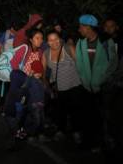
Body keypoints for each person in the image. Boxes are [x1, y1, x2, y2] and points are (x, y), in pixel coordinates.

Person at [75, 14, 118, 151]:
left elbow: (112, 64)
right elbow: (79, 65)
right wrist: (85, 81)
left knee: (102, 116)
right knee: (87, 115)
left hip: (102, 87)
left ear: (88, 27)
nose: (79, 29)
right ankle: (87, 141)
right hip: (86, 87)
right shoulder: (80, 43)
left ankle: (102, 142)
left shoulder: (106, 43)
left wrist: (100, 80)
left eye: (81, 26)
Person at [4, 28, 44, 146]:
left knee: (30, 109)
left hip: (33, 84)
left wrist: (38, 74)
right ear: (31, 39)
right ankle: (17, 134)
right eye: (37, 38)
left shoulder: (40, 52)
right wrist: (25, 76)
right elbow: (13, 65)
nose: (40, 40)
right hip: (22, 83)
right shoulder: (25, 49)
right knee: (18, 108)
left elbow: (40, 68)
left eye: (41, 38)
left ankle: (26, 133)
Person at [42, 30, 83, 142]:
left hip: (75, 86)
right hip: (59, 89)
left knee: (75, 111)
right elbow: (43, 72)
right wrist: (47, 86)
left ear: (60, 39)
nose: (54, 42)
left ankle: (76, 132)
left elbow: (81, 66)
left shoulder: (69, 48)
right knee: (61, 112)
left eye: (56, 39)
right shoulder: (46, 54)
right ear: (47, 42)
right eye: (51, 40)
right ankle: (61, 131)